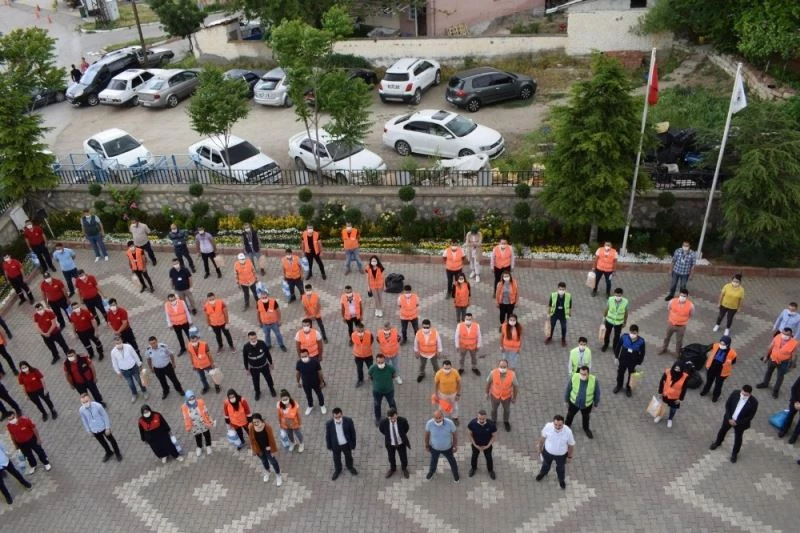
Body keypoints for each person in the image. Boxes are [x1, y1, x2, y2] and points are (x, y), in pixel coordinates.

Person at [709, 385, 759, 463]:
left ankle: (734, 453)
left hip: (740, 424)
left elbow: (750, 417)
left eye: (745, 395)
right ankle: (717, 442)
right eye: (742, 393)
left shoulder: (754, 402)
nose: (743, 395)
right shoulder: (735, 393)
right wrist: (729, 418)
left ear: (749, 394)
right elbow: (728, 405)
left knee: (738, 438)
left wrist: (737, 422)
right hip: (729, 419)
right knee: (722, 430)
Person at [79, 393, 122, 462]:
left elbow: (105, 416)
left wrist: (107, 428)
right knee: (102, 442)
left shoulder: (98, 406)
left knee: (112, 440)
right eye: (83, 402)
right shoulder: (81, 410)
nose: (85, 403)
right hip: (94, 430)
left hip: (103, 427)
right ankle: (109, 452)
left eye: (86, 401)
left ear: (90, 399)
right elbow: (84, 420)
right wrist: (89, 431)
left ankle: (118, 453)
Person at [757, 327, 799, 398]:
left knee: (780, 376)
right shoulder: (778, 337)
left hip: (783, 362)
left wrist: (792, 364)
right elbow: (770, 347)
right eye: (783, 333)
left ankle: (776, 390)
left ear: (791, 335)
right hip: (773, 359)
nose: (784, 336)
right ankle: (765, 383)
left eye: (787, 334)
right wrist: (766, 356)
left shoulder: (794, 343)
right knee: (769, 371)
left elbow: (794, 355)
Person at [535, 415, 575, 489]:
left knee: (561, 469)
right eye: (555, 424)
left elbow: (571, 445)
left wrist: (569, 457)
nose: (557, 427)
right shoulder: (548, 426)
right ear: (553, 423)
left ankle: (561, 480)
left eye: (560, 425)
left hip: (561, 455)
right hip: (547, 453)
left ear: (563, 424)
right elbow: (542, 438)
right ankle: (543, 473)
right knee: (545, 465)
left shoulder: (568, 432)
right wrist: (539, 448)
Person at [110, 336, 149, 403]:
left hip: (133, 367)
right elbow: (114, 363)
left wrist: (139, 364)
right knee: (130, 383)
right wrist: (118, 372)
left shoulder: (128, 347)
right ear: (114, 344)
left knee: (139, 380)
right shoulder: (113, 352)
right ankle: (134, 394)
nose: (118, 344)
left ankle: (144, 391)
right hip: (124, 370)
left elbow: (135, 355)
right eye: (117, 343)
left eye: (119, 342)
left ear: (122, 341)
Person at [565, 366, 600, 439]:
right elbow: (568, 389)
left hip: (586, 405)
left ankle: (586, 428)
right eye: (581, 373)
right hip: (574, 403)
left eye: (584, 374)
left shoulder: (594, 380)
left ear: (588, 374)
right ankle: (567, 426)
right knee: (570, 415)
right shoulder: (574, 377)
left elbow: (597, 392)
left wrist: (596, 403)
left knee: (586, 417)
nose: (582, 375)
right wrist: (566, 400)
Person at [424, 409, 459, 482]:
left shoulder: (450, 423)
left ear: (443, 416)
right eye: (436, 418)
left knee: (452, 461)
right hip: (434, 448)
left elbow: (454, 435)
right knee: (433, 461)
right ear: (433, 417)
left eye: (440, 417)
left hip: (448, 448)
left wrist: (455, 446)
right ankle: (432, 472)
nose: (438, 420)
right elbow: (427, 435)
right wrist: (427, 445)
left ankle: (456, 474)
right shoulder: (429, 423)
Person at [248, 413, 282, 485]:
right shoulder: (251, 427)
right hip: (259, 450)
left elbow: (272, 439)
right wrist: (253, 449)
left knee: (273, 462)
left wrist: (271, 448)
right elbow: (251, 439)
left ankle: (278, 474)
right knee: (264, 461)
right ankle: (267, 471)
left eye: (257, 421)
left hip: (268, 449)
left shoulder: (267, 427)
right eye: (254, 422)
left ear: (261, 420)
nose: (256, 423)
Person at [701, 335, 737, 402]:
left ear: (728, 344)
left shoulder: (732, 353)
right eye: (721, 343)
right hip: (712, 367)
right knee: (709, 381)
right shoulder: (716, 345)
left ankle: (715, 396)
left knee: (718, 385)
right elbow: (707, 348)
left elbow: (733, 362)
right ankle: (705, 390)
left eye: (723, 344)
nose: (721, 345)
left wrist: (727, 363)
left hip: (722, 371)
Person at [325, 408, 357, 480]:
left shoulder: (348, 421)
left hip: (346, 444)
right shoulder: (329, 424)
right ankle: (338, 470)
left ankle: (350, 467)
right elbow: (328, 436)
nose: (338, 419)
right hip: (336, 445)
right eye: (336, 417)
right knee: (336, 459)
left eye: (339, 417)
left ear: (342, 414)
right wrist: (329, 446)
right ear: (333, 416)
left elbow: (353, 433)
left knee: (349, 456)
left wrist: (353, 444)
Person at [486, 359, 518, 432]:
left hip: (506, 397)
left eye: (504, 367)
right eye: (501, 366)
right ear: (498, 366)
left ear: (507, 367)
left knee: (507, 410)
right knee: (493, 410)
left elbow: (516, 387)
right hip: (494, 396)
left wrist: (514, 398)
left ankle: (506, 421)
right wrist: (486, 393)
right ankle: (493, 421)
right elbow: (488, 383)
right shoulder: (493, 373)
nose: (502, 368)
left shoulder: (512, 374)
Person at [243, 331, 276, 401]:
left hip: (264, 366)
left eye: (255, 338)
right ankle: (257, 392)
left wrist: (271, 363)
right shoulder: (246, 347)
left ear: (256, 337)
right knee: (255, 381)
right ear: (248, 339)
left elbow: (267, 353)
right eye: (251, 339)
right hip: (254, 368)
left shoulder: (262, 343)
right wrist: (247, 369)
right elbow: (245, 358)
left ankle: (272, 389)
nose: (253, 340)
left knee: (268, 378)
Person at [660, 288, 694, 356]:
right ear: (679, 295)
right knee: (667, 337)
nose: (682, 297)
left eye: (684, 296)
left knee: (679, 341)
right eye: (681, 295)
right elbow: (669, 308)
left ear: (687, 296)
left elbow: (691, 314)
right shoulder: (672, 301)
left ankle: (677, 353)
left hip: (681, 326)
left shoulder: (690, 305)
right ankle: (664, 348)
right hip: (671, 324)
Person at [378, 408, 410, 478]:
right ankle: (393, 469)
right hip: (390, 444)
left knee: (403, 457)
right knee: (391, 458)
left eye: (394, 418)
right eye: (391, 418)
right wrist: (388, 435)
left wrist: (401, 435)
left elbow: (406, 428)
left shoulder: (403, 421)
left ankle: (404, 468)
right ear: (388, 417)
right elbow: (381, 429)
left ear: (397, 415)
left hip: (401, 443)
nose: (392, 420)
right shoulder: (384, 422)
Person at [615, 325, 645, 397]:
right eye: (631, 332)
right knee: (620, 373)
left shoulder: (641, 341)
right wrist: (616, 357)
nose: (632, 335)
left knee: (631, 376)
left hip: (633, 362)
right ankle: (619, 385)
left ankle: (628, 388)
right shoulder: (624, 337)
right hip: (623, 359)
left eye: (634, 333)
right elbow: (618, 346)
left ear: (637, 333)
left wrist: (639, 363)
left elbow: (642, 353)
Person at [181, 390, 214, 457]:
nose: (192, 399)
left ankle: (208, 446)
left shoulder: (200, 402)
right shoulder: (184, 407)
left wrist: (210, 420)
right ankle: (199, 447)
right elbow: (185, 417)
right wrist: (188, 426)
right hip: (194, 425)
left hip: (203, 422)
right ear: (187, 399)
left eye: (193, 397)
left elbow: (206, 412)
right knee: (197, 436)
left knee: (207, 435)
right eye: (190, 398)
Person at [467, 409, 497, 479]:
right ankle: (473, 468)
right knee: (474, 457)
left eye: (483, 419)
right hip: (476, 445)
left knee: (489, 458)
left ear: (486, 417)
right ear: (477, 417)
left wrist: (487, 446)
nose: (481, 420)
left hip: (487, 445)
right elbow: (469, 435)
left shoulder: (491, 424)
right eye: (480, 418)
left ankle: (490, 470)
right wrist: (475, 445)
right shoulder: (472, 423)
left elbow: (494, 436)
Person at [368, 354, 396, 425]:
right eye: (379, 362)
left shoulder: (390, 368)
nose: (381, 364)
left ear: (385, 361)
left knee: (392, 403)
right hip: (377, 391)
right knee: (377, 405)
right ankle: (378, 418)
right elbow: (370, 376)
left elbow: (393, 375)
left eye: (382, 362)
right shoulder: (372, 368)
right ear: (376, 361)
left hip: (389, 390)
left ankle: (394, 416)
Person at [296, 349, 326, 415]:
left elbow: (320, 372)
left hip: (316, 382)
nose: (304, 358)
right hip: (306, 383)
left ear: (308, 355)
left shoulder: (315, 361)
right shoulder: (299, 363)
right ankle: (310, 406)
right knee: (308, 395)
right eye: (302, 357)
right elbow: (298, 373)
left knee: (319, 394)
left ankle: (322, 405)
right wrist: (298, 382)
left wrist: (321, 382)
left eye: (305, 356)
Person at [434, 360, 461, 425]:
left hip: (453, 394)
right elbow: (436, 384)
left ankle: (455, 417)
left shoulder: (455, 372)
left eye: (448, 368)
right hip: (442, 394)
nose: (447, 370)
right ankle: (442, 418)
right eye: (445, 368)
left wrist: (458, 394)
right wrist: (436, 394)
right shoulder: (438, 373)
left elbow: (459, 383)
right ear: (442, 367)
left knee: (455, 407)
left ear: (451, 367)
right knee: (441, 408)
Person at [601, 288, 628, 354]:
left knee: (617, 336)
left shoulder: (625, 302)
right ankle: (606, 345)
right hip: (609, 320)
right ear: (614, 294)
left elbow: (626, 312)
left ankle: (615, 347)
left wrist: (625, 322)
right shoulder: (610, 299)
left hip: (619, 322)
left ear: (622, 295)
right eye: (616, 295)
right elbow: (607, 309)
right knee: (607, 334)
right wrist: (603, 319)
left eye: (619, 295)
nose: (617, 297)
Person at [546, 282, 572, 347]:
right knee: (552, 326)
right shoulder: (553, 295)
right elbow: (550, 305)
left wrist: (569, 313)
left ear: (565, 289)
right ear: (557, 289)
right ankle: (549, 337)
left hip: (563, 315)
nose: (561, 291)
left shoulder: (569, 296)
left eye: (563, 289)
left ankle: (563, 339)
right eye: (560, 289)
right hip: (554, 313)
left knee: (564, 327)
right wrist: (548, 313)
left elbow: (570, 306)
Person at [778, 375, 800, 443]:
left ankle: (794, 436)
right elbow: (794, 388)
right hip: (796, 400)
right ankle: (784, 430)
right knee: (790, 415)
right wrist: (796, 402)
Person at [351, 322, 374, 388]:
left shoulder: (369, 334)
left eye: (362, 331)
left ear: (364, 329)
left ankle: (372, 377)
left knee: (371, 367)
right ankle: (360, 380)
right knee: (359, 369)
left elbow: (371, 341)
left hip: (368, 355)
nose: (360, 332)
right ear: (356, 329)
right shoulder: (353, 335)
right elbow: (353, 342)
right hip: (358, 355)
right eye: (359, 331)